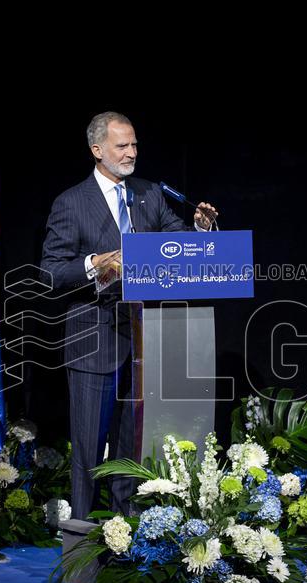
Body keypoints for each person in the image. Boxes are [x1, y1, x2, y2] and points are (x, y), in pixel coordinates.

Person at [40, 111, 217, 520]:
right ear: (97, 150)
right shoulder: (71, 202)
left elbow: (177, 245)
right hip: (92, 337)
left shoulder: (149, 194)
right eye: (122, 146)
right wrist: (93, 263)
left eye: (135, 144)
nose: (132, 152)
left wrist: (199, 230)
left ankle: (127, 529)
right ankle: (81, 535)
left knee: (132, 444)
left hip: (142, 338)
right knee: (88, 445)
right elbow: (50, 272)